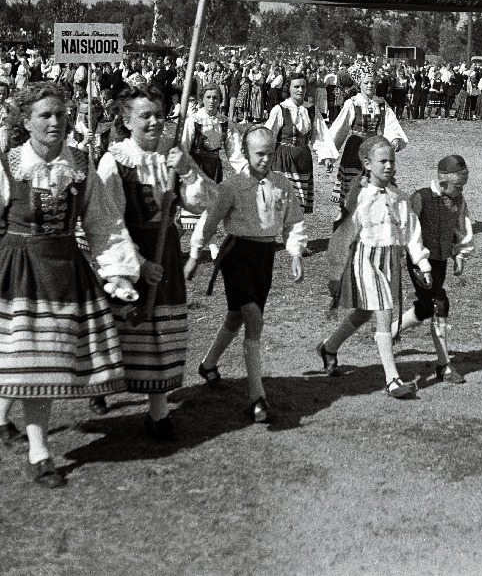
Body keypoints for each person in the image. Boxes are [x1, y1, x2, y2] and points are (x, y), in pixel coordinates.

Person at [0, 84, 140, 488]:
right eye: (44, 115)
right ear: (25, 122)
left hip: (63, 274)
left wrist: (118, 273)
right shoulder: (8, 165)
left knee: (41, 363)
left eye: (60, 115)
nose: (55, 122)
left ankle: (11, 424)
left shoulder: (80, 165)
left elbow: (104, 222)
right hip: (18, 273)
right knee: (30, 362)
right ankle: (40, 453)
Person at [96, 85, 216, 440]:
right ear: (126, 120)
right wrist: (136, 265)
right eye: (144, 116)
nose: (153, 122)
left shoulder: (173, 152)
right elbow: (106, 220)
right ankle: (102, 386)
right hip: (126, 252)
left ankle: (158, 413)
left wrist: (189, 172)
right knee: (120, 328)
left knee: (160, 331)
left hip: (165, 250)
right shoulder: (115, 160)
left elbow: (201, 202)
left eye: (158, 115)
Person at [186, 126, 307, 423]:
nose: (265, 160)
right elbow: (210, 220)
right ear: (246, 153)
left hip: (265, 257)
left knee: (237, 316)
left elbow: (293, 221)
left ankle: (209, 364)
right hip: (236, 255)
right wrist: (194, 254)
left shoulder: (282, 184)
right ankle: (257, 396)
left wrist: (294, 253)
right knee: (254, 318)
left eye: (270, 153)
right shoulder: (232, 186)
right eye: (259, 154)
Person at [318, 136, 432, 398]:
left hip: (390, 260)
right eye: (383, 161)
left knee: (363, 313)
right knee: (384, 311)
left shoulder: (399, 198)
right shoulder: (359, 197)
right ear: (367, 164)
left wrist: (422, 262)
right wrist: (335, 272)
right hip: (364, 259)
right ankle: (392, 379)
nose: (389, 165)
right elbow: (342, 236)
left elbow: (411, 233)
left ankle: (329, 347)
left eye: (392, 160)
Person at [391, 155, 474, 384]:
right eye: (458, 186)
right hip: (419, 261)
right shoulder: (420, 198)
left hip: (441, 260)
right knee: (440, 303)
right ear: (443, 181)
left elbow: (462, 225)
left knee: (427, 307)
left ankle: (391, 331)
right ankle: (444, 365)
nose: (461, 190)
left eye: (463, 186)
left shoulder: (458, 200)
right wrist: (421, 262)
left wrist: (460, 254)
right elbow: (410, 232)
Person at [328, 73, 407, 208]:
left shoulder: (381, 103)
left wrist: (394, 139)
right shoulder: (352, 103)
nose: (370, 85)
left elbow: (390, 123)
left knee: (374, 186)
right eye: (366, 83)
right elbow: (340, 128)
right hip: (355, 148)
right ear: (360, 85)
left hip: (374, 148)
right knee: (353, 186)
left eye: (372, 83)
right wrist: (329, 153)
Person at [264, 72, 338, 213]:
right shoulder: (280, 109)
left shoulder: (311, 110)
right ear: (289, 88)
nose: (300, 90)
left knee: (298, 206)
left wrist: (326, 156)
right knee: (281, 202)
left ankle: (293, 234)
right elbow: (268, 135)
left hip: (303, 159)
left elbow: (319, 135)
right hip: (283, 159)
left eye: (303, 87)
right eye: (296, 86)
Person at [182, 84, 245, 183]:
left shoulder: (224, 122)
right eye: (208, 97)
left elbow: (235, 147)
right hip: (196, 167)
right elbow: (184, 146)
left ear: (220, 101)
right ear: (202, 99)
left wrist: (244, 170)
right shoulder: (194, 120)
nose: (211, 101)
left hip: (214, 168)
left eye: (215, 98)